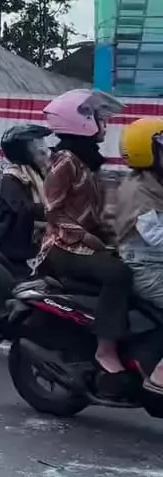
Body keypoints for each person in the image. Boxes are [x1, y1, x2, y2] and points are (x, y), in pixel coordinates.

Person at [33, 88, 133, 398]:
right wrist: (86, 236)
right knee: (118, 275)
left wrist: (118, 237)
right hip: (61, 246)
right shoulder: (65, 160)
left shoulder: (87, 161)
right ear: (79, 123)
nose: (104, 124)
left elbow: (96, 215)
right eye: (99, 118)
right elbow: (52, 210)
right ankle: (105, 349)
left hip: (85, 242)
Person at [115, 117, 163, 394]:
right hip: (146, 268)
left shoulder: (156, 183)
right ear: (148, 152)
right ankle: (159, 375)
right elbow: (156, 237)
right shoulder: (139, 191)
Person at [0, 124, 51, 272]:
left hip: (32, 236)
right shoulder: (12, 176)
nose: (43, 149)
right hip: (15, 241)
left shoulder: (36, 172)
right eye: (36, 145)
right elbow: (23, 208)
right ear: (23, 151)